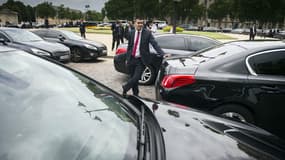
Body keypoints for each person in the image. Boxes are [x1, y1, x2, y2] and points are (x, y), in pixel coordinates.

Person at [122, 17, 169, 97]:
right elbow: (130, 47)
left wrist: (162, 53)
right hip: (131, 59)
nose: (140, 24)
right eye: (138, 23)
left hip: (141, 60)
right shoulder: (131, 33)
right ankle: (135, 94)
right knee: (133, 78)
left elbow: (154, 44)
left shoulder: (147, 33)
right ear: (134, 24)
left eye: (141, 23)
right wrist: (127, 59)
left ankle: (125, 87)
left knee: (136, 77)